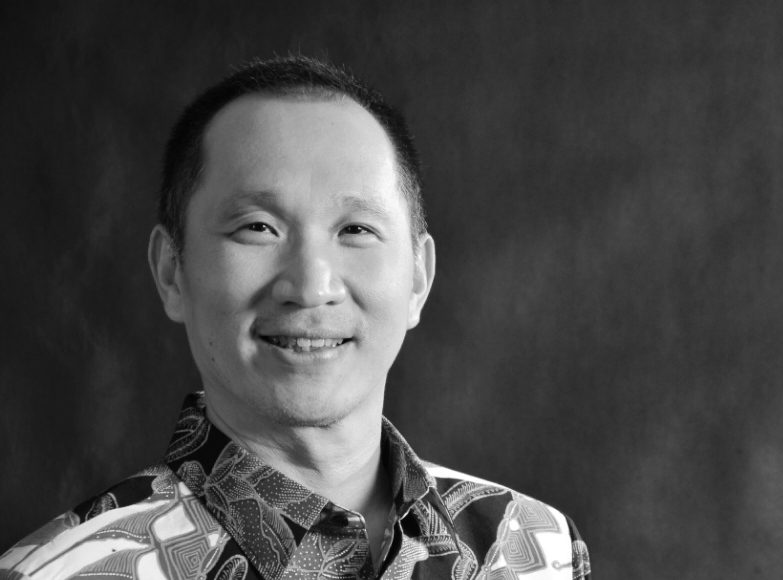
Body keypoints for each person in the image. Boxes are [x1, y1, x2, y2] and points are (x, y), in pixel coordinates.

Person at [0, 56, 590, 580]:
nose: (312, 286)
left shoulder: (536, 550)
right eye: (258, 227)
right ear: (172, 271)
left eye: (356, 229)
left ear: (418, 278)